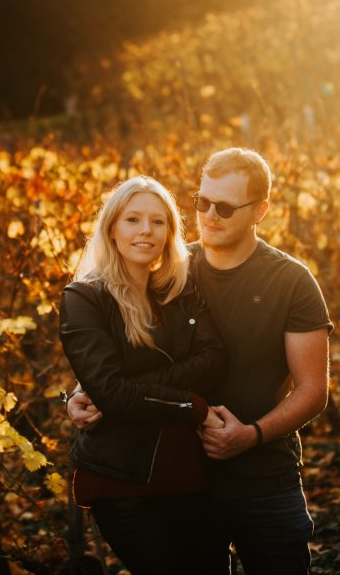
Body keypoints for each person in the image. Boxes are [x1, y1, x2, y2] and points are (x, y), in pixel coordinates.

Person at [69, 148, 333, 574]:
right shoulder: (169, 270)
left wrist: (251, 435)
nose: (209, 215)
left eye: (225, 207)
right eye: (201, 202)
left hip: (265, 477)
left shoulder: (291, 282)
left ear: (259, 211)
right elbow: (127, 353)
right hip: (183, 480)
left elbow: (313, 390)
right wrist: (85, 392)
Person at [58, 176, 229, 574]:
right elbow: (113, 395)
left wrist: (129, 389)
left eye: (158, 221)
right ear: (112, 228)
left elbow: (215, 358)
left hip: (191, 471)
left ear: (170, 232)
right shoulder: (84, 298)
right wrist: (194, 406)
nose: (146, 231)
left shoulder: (179, 289)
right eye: (133, 219)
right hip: (123, 478)